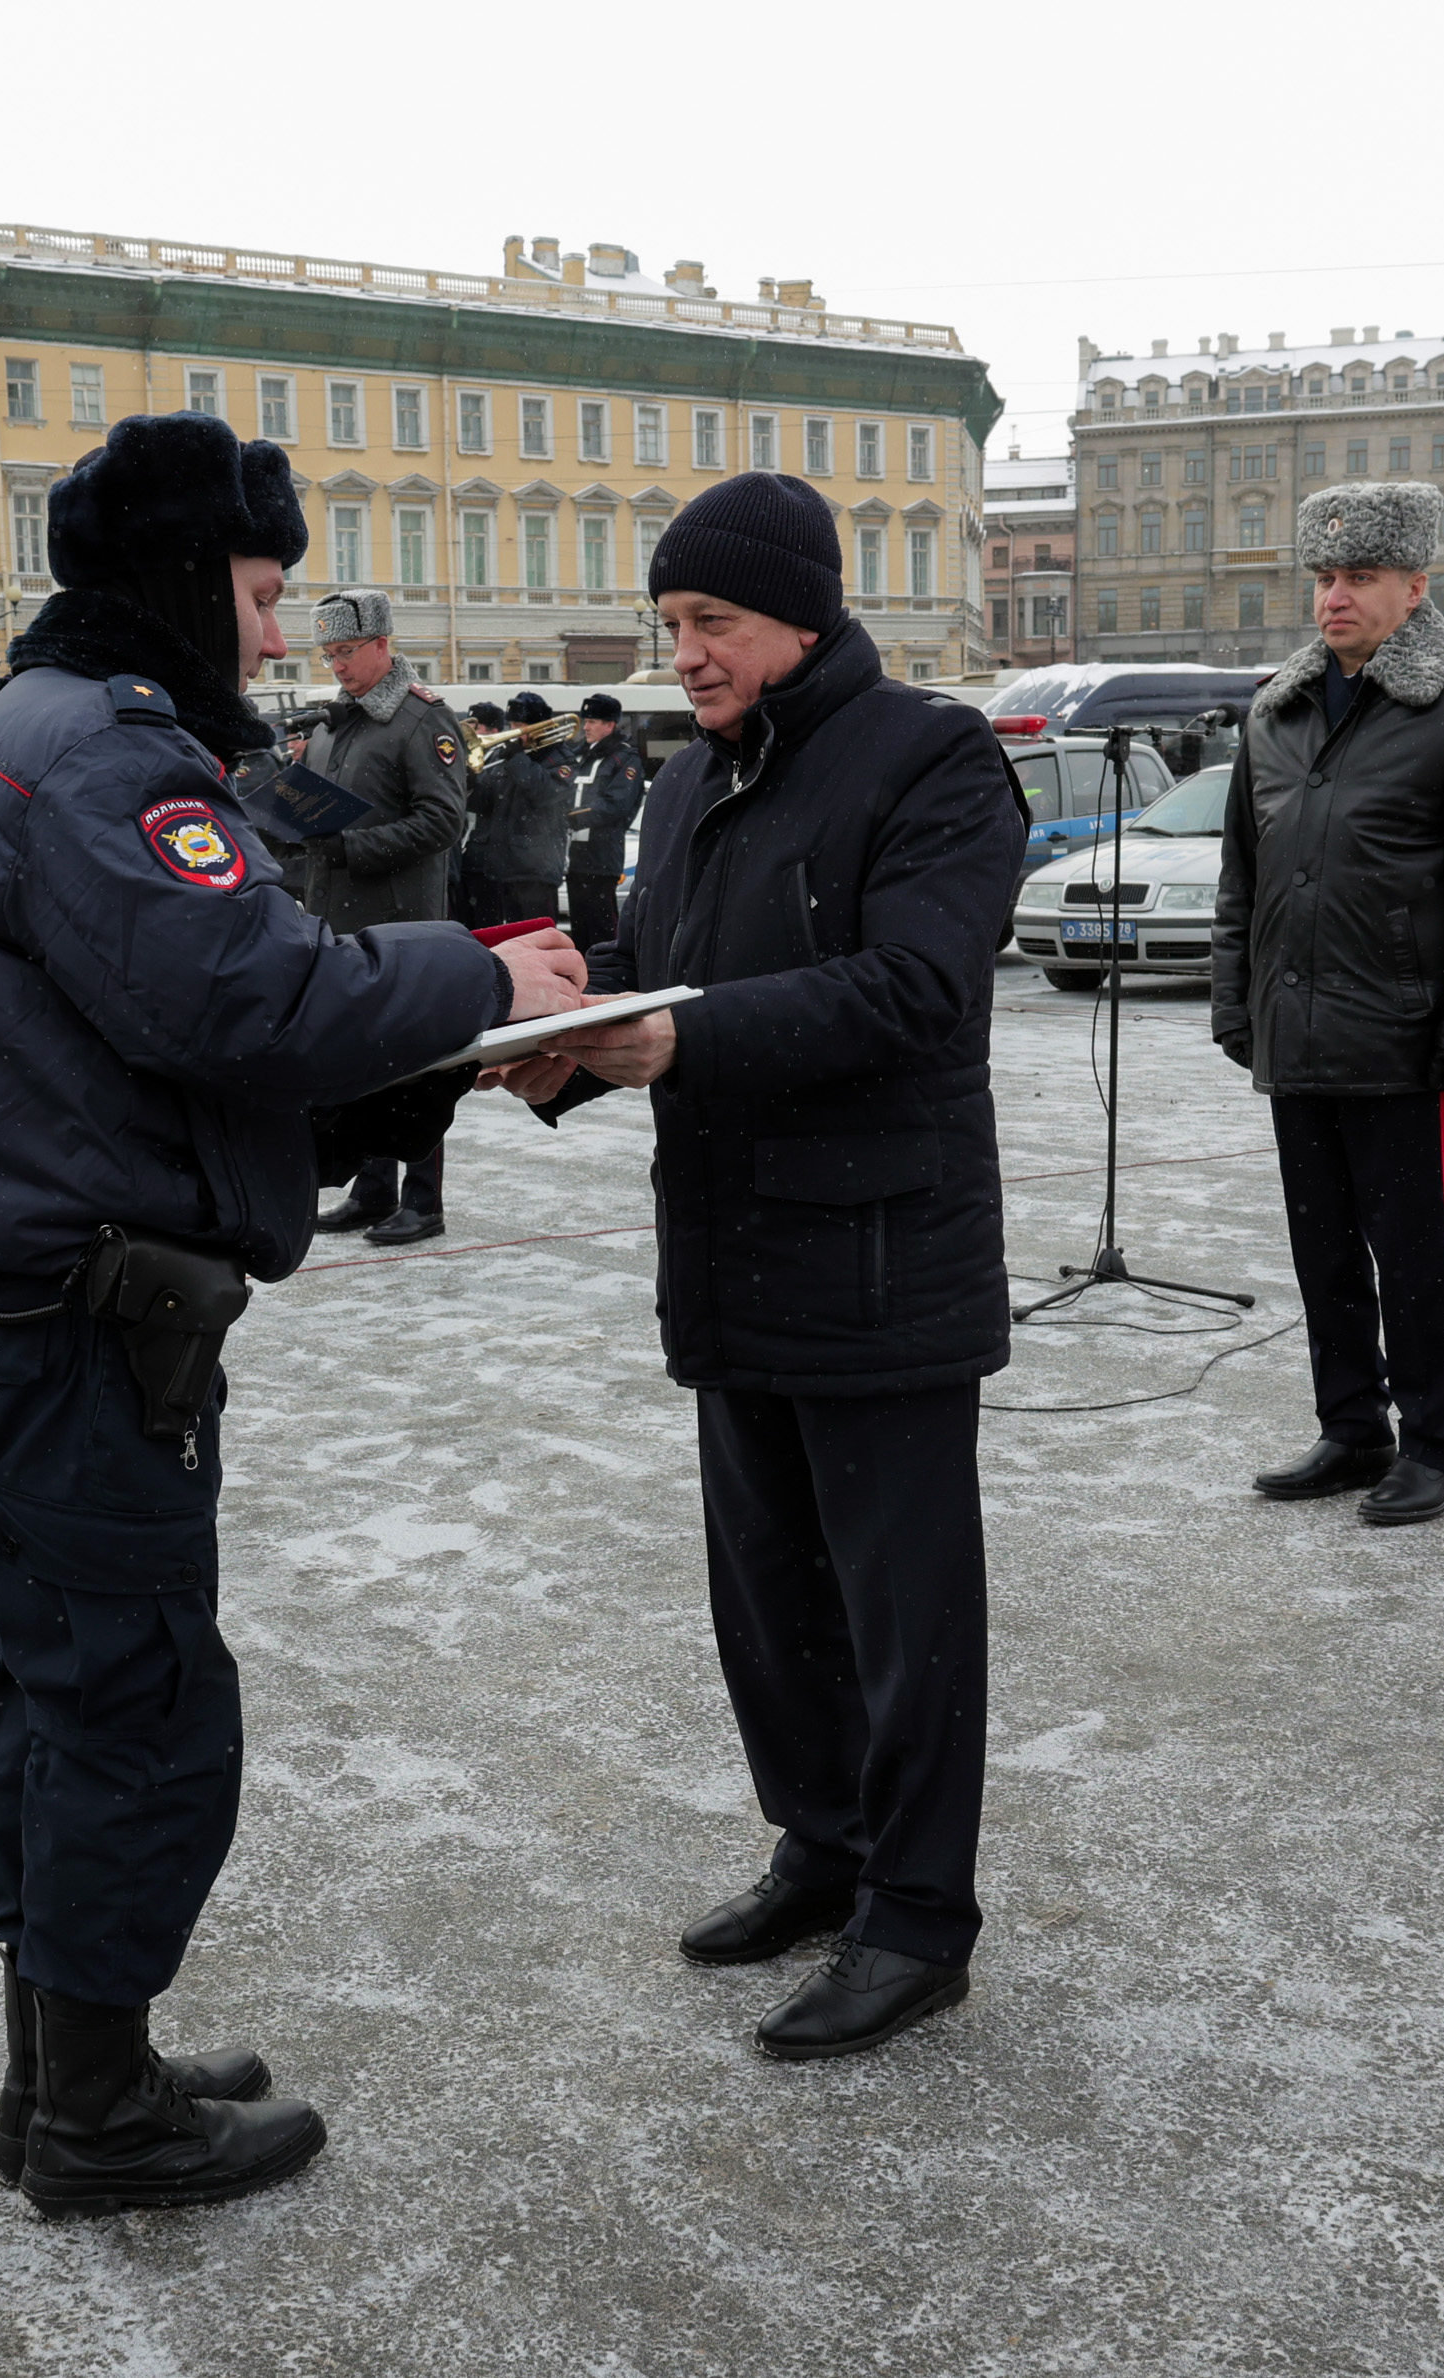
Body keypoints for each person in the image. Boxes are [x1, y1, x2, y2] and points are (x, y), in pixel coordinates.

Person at [0, 411, 585, 2214]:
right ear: (190, 578)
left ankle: (68, 2069)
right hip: (84, 1320)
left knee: (65, 1685)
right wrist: (476, 973)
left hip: (45, 1301)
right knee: (135, 1701)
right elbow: (241, 1000)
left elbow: (158, 1040)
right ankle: (99, 2116)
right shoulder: (108, 760)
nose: (273, 636)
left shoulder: (42, 737)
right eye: (259, 595)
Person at [491, 471, 1019, 2060]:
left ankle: (918, 1918)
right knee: (768, 1598)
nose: (688, 656)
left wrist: (677, 1033)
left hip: (882, 1257)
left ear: (801, 610)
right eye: (670, 627)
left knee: (898, 1613)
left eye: (711, 622)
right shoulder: (682, 783)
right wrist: (564, 1044)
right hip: (733, 1251)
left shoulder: (932, 756)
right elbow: (666, 975)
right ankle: (823, 1848)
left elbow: (918, 988)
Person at [1213, 482, 1444, 1526]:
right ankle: (1352, 1427)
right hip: (1296, 1029)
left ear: (1415, 586)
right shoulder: (1278, 709)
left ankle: (1439, 1443)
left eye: (1358, 577)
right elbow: (1243, 876)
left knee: (1415, 1253)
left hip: (1406, 1039)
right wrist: (1241, 1005)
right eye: (1323, 578)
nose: (1334, 598)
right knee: (1322, 1246)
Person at [300, 589, 472, 1248]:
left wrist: (353, 848)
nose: (337, 665)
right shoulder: (335, 723)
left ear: (381, 644)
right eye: (329, 653)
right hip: (340, 922)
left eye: (346, 651)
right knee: (362, 1064)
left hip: (403, 923)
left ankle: (423, 1202)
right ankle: (373, 1192)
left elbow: (443, 819)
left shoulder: (418, 720)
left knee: (417, 1066)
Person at [469, 691, 575, 927]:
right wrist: (468, 779)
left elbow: (544, 793)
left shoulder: (560, 757)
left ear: (538, 726)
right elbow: (484, 803)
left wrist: (517, 759)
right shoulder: (507, 756)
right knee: (514, 937)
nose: (514, 731)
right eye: (512, 724)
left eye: (520, 725)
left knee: (538, 935)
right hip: (506, 865)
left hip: (537, 867)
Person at [564, 691, 646, 952]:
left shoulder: (625, 758)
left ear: (610, 725)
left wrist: (571, 818)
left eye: (592, 721)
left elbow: (615, 804)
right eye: (585, 720)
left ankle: (603, 979)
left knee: (601, 928)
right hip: (574, 857)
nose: (585, 727)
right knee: (578, 928)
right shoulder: (577, 756)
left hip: (601, 858)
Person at [451, 700, 508, 928]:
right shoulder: (469, 759)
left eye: (478, 728)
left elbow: (487, 801)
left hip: (487, 858)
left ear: (494, 731)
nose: (472, 733)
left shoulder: (500, 759)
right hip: (465, 855)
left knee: (487, 922)